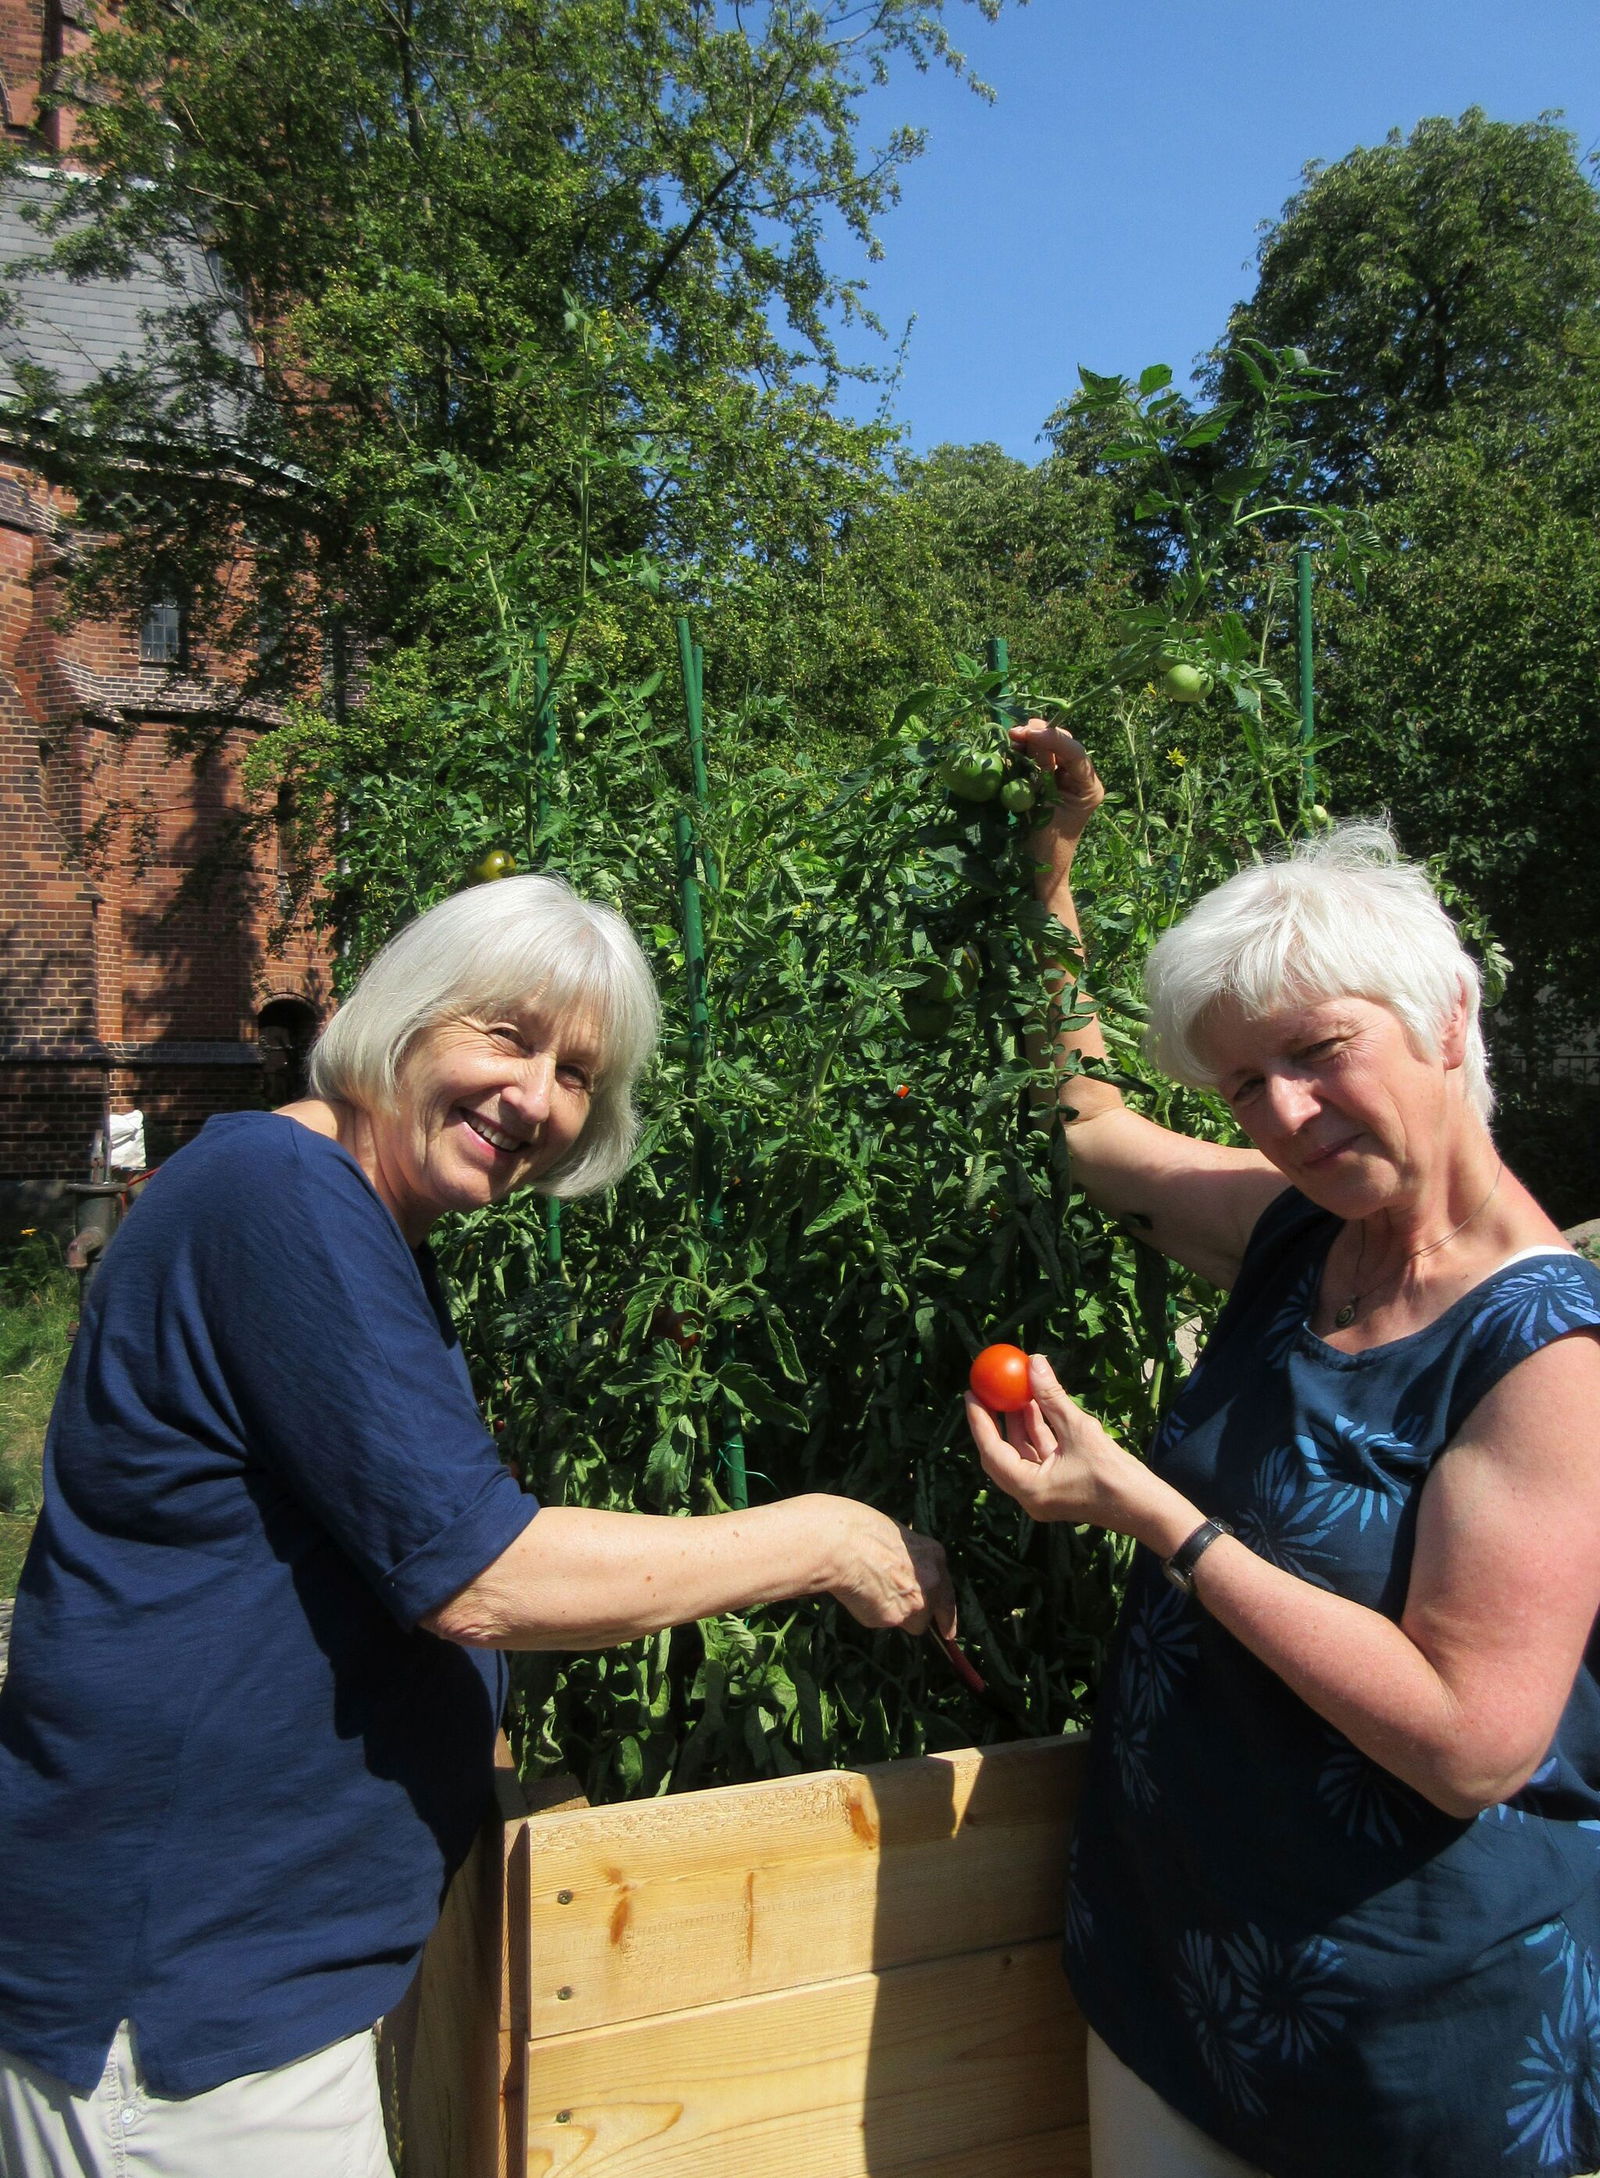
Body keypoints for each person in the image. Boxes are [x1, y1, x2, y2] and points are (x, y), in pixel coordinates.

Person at [0, 873, 953, 2178]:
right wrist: (829, 1538)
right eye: (506, 1037)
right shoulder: (281, 1195)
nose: (540, 1098)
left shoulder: (348, 1210)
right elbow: (477, 1568)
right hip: (188, 2002)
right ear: (404, 1017)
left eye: (577, 1072)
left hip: (240, 1974)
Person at [963, 725, 1600, 2178]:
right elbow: (1091, 1126)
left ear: (1446, 1017)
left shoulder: (1550, 1351)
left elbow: (1470, 1742)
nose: (1289, 1116)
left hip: (1402, 2033)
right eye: (1247, 1083)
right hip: (1172, 1959)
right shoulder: (1296, 1230)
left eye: (1319, 1054)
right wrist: (1050, 876)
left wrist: (1154, 1515)